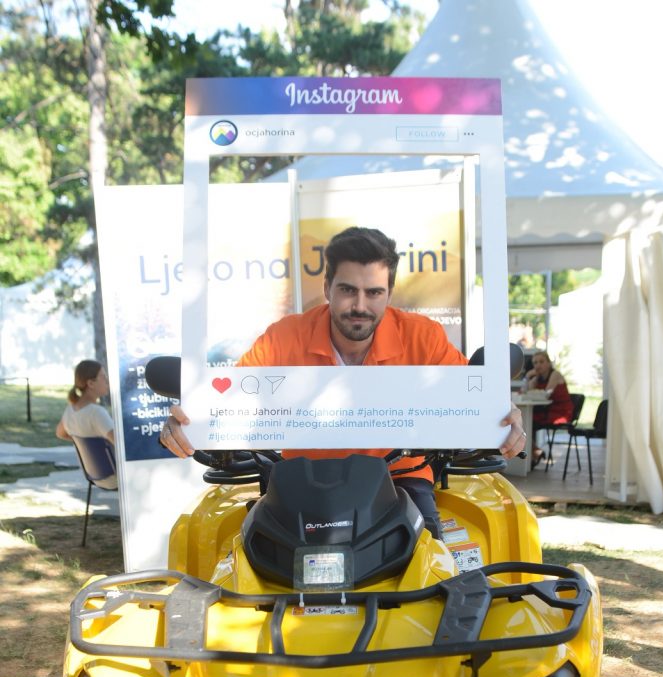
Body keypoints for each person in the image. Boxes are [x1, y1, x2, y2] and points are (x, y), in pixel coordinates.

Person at [160, 227, 526, 538]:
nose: (360, 306)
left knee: (434, 572)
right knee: (247, 573)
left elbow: (469, 398)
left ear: (390, 293)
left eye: (374, 293)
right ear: (327, 288)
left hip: (401, 479)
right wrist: (190, 420)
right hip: (301, 483)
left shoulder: (423, 337)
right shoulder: (282, 338)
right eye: (348, 290)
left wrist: (500, 414)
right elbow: (232, 403)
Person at [56, 359, 117, 488]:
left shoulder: (70, 410)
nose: (107, 381)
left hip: (95, 476)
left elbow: (60, 433)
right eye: (103, 377)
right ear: (90, 383)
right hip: (114, 477)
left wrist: (83, 443)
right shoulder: (96, 413)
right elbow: (120, 445)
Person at [522, 350, 572, 468]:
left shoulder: (555, 374)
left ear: (549, 363)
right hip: (545, 410)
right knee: (523, 421)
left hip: (559, 412)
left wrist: (532, 390)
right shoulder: (537, 378)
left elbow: (545, 395)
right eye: (535, 363)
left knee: (526, 423)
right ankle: (534, 452)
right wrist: (528, 378)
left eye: (541, 362)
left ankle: (533, 453)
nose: (538, 365)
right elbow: (525, 393)